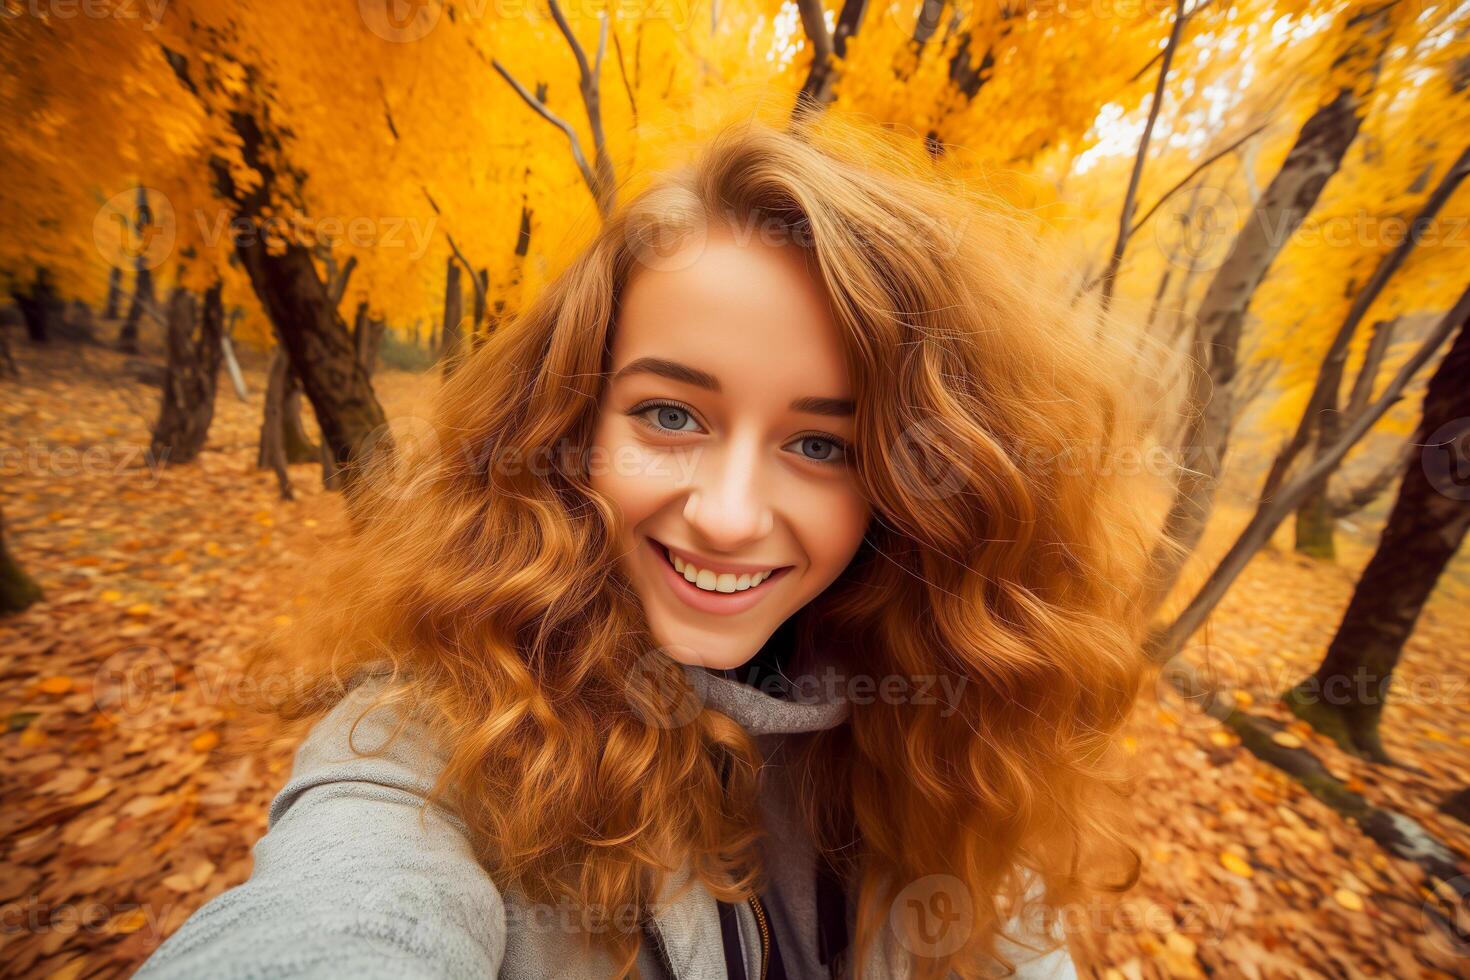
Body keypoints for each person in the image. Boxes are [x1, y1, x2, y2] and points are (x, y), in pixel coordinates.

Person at [134, 111, 1179, 979]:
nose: (727, 514)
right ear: (571, 423)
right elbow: (335, 916)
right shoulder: (433, 736)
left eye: (821, 442)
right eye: (671, 416)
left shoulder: (959, 739)